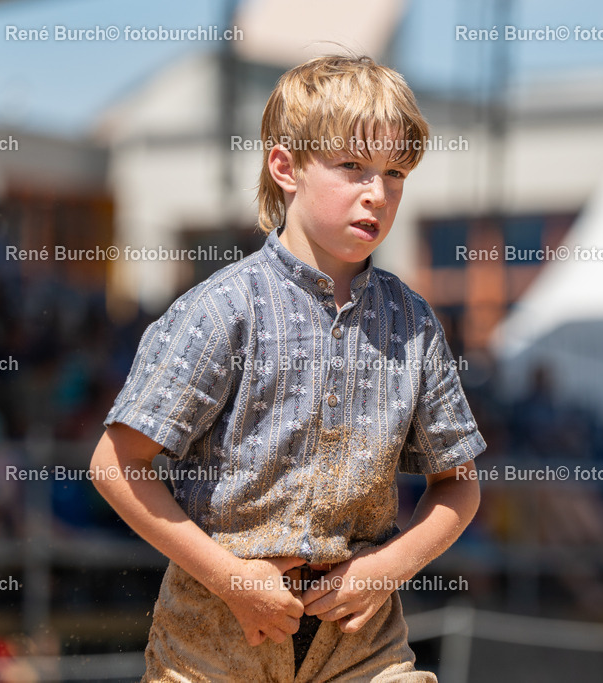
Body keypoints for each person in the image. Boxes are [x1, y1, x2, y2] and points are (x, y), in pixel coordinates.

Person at [91, 54, 485, 682]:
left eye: (394, 173)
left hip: (360, 642)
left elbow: (459, 483)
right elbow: (115, 465)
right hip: (212, 638)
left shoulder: (412, 323)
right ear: (285, 166)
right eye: (352, 166)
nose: (376, 194)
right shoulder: (219, 311)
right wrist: (229, 576)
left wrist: (387, 568)